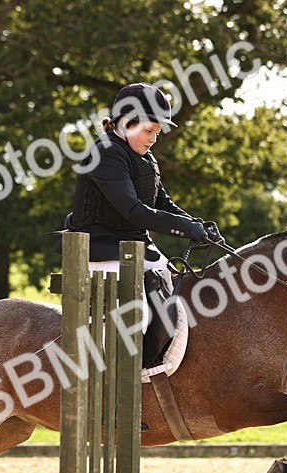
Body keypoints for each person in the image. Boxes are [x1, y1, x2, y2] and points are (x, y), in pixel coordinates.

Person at [64, 82, 215, 368]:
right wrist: (184, 229)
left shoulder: (145, 157)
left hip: (133, 250)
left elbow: (162, 204)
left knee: (178, 303)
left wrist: (196, 225)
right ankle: (120, 379)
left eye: (156, 134)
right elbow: (133, 210)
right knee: (142, 315)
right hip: (102, 251)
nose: (153, 140)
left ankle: (150, 377)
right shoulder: (106, 153)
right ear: (126, 122)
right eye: (148, 131)